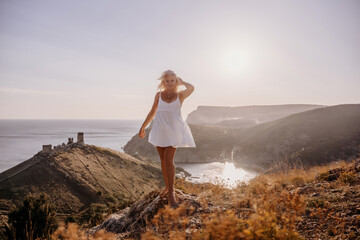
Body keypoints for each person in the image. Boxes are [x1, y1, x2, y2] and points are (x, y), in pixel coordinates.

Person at [138, 70, 196, 207]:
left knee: (169, 160)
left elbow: (192, 88)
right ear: (163, 82)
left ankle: (171, 194)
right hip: (160, 129)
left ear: (176, 81)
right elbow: (152, 112)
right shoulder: (158, 95)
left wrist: (182, 82)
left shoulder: (180, 95)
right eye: (167, 80)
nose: (169, 83)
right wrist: (143, 127)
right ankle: (168, 187)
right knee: (163, 160)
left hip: (174, 130)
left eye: (172, 80)